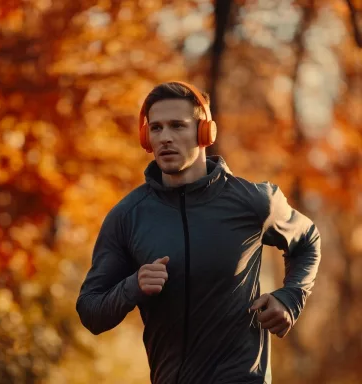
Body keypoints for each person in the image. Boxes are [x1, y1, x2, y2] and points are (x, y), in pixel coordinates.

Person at [75, 81, 321, 384]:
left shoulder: (253, 202)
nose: (165, 138)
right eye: (156, 128)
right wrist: (132, 286)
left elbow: (308, 239)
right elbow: (90, 311)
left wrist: (291, 297)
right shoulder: (127, 217)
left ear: (205, 133)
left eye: (178, 126)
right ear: (146, 137)